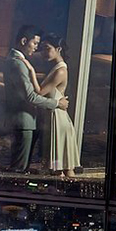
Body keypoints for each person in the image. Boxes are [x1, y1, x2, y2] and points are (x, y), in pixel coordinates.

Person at [4, 24, 68, 172]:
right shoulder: (17, 63)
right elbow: (31, 97)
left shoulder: (16, 60)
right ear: (24, 41)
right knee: (19, 168)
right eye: (35, 43)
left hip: (24, 120)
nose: (36, 48)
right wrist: (57, 104)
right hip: (23, 120)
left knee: (20, 166)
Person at [31, 34, 80, 177]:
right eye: (43, 49)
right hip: (55, 116)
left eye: (47, 48)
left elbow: (40, 92)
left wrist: (30, 70)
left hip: (57, 119)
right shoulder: (57, 68)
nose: (43, 52)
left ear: (58, 49)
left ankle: (71, 189)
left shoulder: (60, 70)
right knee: (62, 166)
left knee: (63, 166)